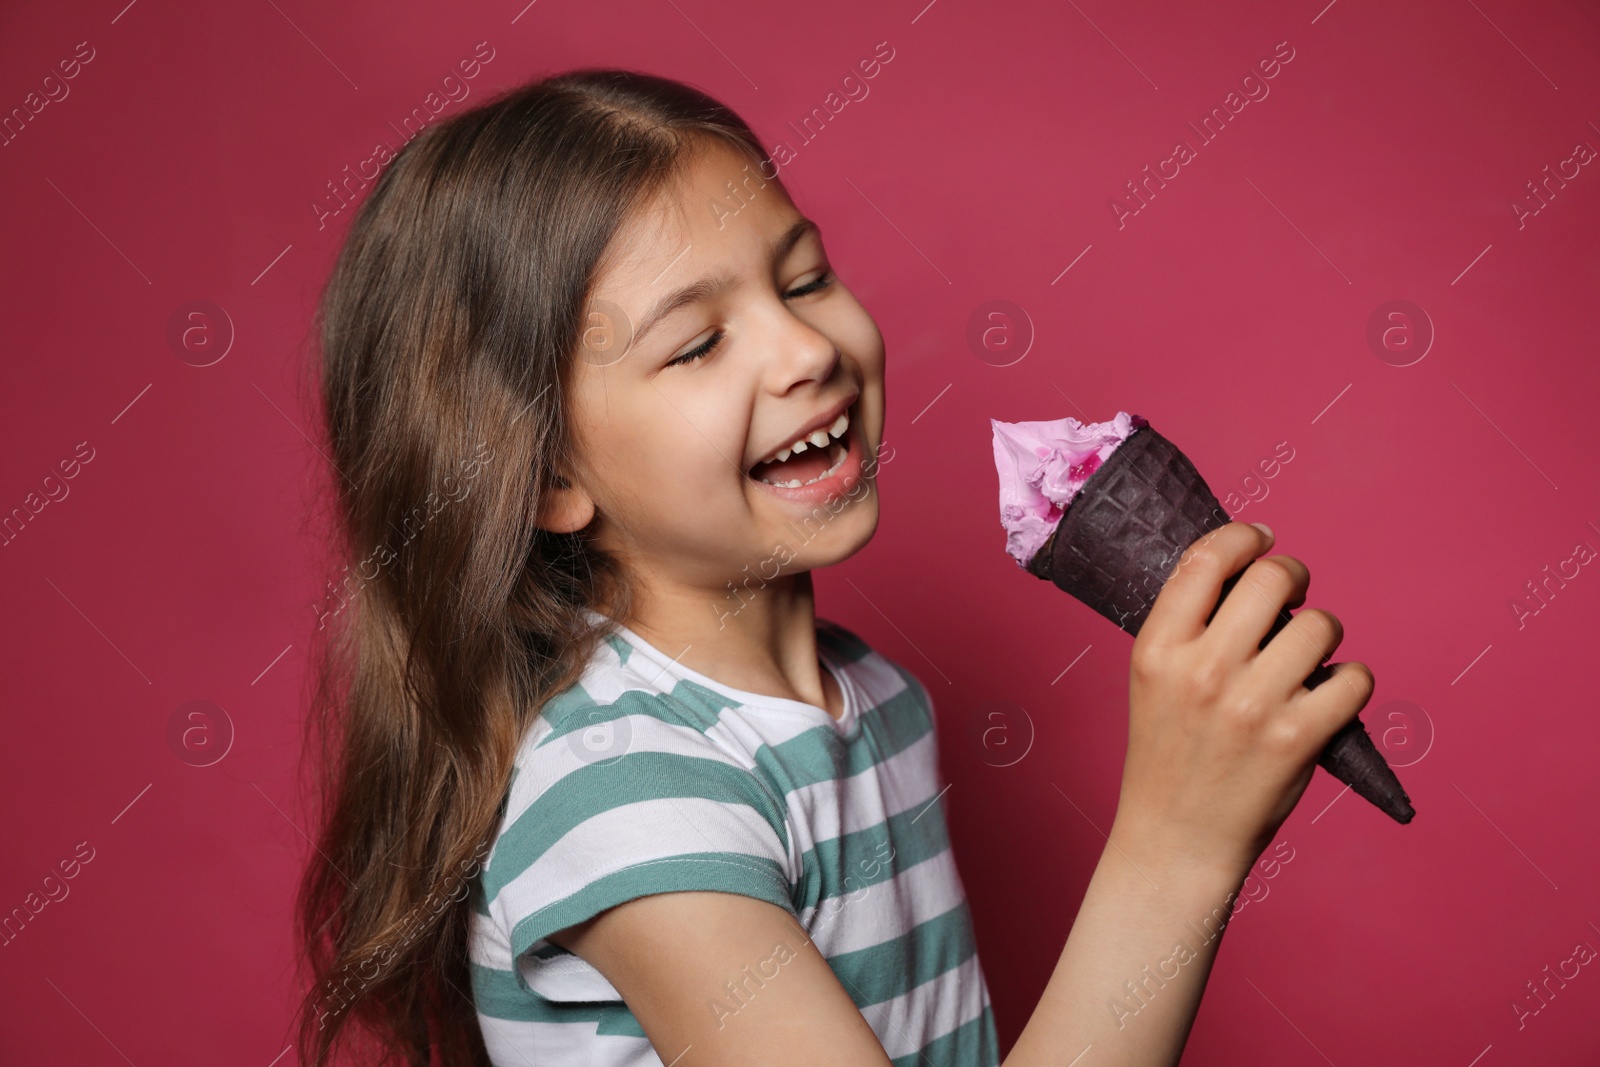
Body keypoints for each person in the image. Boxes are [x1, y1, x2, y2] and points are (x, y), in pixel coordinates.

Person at [294, 67, 1373, 1067]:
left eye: (803, 279)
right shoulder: (626, 797)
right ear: (544, 475)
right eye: (697, 343)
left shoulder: (875, 700)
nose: (807, 348)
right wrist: (1177, 846)